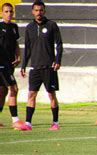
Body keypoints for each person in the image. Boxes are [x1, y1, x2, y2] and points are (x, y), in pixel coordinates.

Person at [18, 1, 63, 131]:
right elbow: (27, 48)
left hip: (49, 67)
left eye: (41, 10)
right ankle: (28, 124)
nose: (39, 13)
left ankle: (55, 123)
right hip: (35, 67)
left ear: (44, 11)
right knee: (31, 94)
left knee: (51, 95)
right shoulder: (29, 27)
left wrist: (58, 60)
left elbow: (59, 44)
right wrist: (23, 65)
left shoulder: (51, 25)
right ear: (33, 12)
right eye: (36, 10)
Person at [0, 3, 24, 129]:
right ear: (1, 13)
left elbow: (15, 44)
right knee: (14, 88)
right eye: (6, 11)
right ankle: (15, 120)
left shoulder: (14, 27)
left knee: (2, 91)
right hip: (1, 64)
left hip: (10, 64)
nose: (9, 14)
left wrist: (18, 56)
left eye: (11, 12)